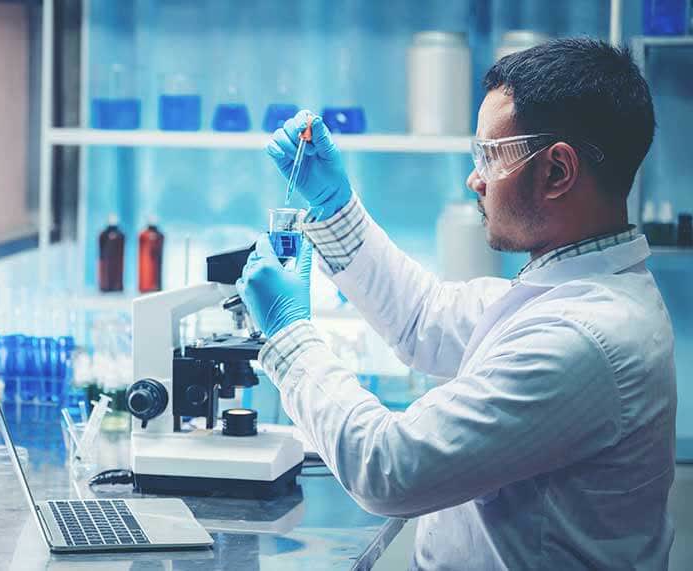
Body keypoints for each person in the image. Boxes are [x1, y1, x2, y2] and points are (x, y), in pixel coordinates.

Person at [236, 38, 676, 569]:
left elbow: (391, 468)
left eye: (490, 155)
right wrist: (334, 207)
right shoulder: (565, 293)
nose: (476, 179)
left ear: (558, 172)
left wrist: (289, 336)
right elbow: (424, 317)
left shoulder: (583, 338)